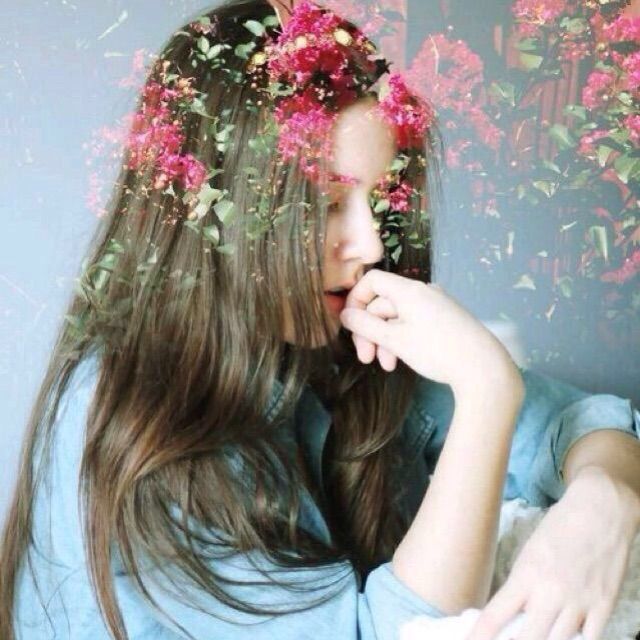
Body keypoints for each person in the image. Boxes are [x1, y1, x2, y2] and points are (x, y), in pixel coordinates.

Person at [2, 1, 640, 639]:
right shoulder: (146, 431)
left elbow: (582, 423)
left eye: (380, 200)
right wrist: (487, 389)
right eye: (326, 204)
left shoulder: (324, 344)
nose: (370, 244)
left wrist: (605, 498)